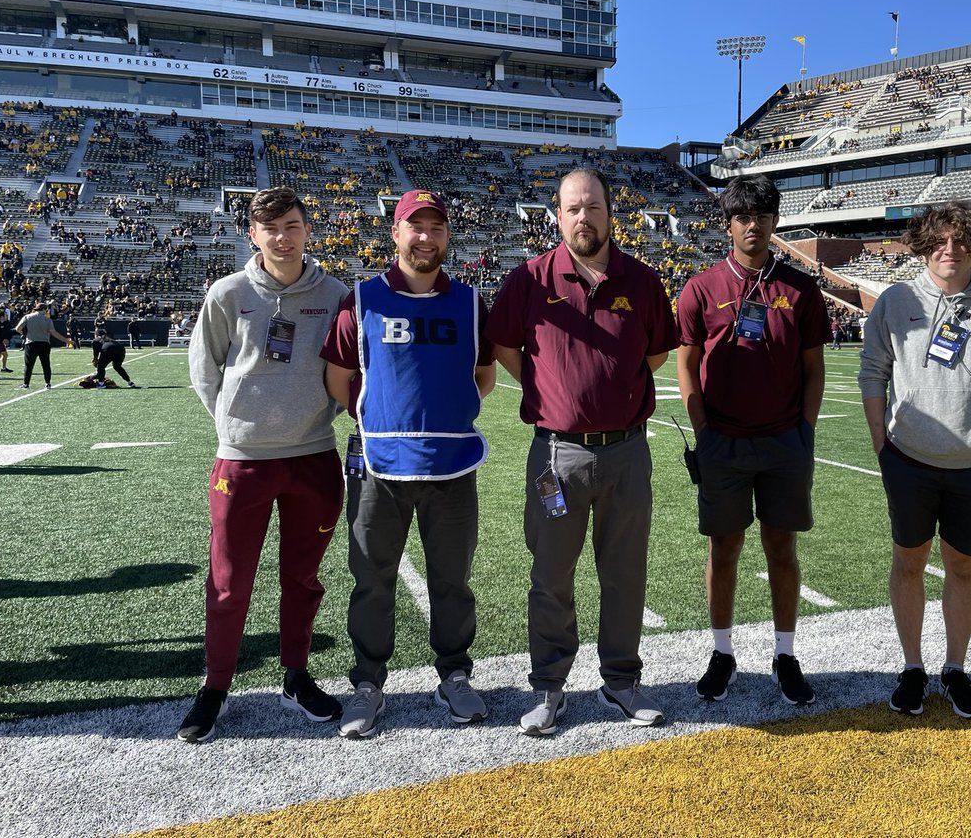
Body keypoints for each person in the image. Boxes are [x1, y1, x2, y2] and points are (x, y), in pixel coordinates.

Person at [486, 168, 678, 736]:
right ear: (558, 216)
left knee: (625, 574)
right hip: (556, 459)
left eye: (593, 207)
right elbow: (501, 344)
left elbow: (657, 356)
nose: (583, 218)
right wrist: (549, 391)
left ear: (609, 213)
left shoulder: (641, 281)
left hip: (626, 455)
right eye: (573, 209)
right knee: (551, 574)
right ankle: (549, 687)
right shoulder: (530, 278)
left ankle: (621, 680)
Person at [321, 190, 495, 739]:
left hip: (452, 465)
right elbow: (339, 376)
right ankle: (368, 683)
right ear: (394, 234)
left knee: (452, 581)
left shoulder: (469, 301)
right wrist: (376, 417)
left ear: (447, 235)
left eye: (436, 226)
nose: (425, 236)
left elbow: (484, 372)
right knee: (372, 580)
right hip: (380, 466)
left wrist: (450, 411)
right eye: (413, 226)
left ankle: (455, 674)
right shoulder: (362, 299)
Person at [181, 187, 349, 743]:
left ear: (308, 231)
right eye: (270, 228)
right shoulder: (227, 292)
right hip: (244, 461)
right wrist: (236, 426)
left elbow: (348, 368)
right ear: (252, 234)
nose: (283, 237)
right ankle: (216, 685)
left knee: (302, 578)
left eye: (293, 225)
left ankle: (296, 675)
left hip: (313, 454)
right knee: (229, 583)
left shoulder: (336, 294)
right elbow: (205, 370)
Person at [859, 201, 971, 721]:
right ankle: (912, 666)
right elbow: (874, 371)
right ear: (922, 243)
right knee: (909, 561)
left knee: (963, 565)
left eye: (961, 239)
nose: (950, 249)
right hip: (908, 458)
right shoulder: (895, 300)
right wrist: (880, 441)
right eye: (939, 239)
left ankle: (955, 668)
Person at [676, 174, 830, 705]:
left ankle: (785, 654)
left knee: (781, 548)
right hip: (724, 441)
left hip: (784, 440)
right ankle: (722, 653)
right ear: (728, 225)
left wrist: (805, 432)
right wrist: (703, 432)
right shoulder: (701, 287)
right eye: (743, 217)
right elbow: (687, 365)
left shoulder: (801, 288)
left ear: (774, 222)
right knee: (724, 549)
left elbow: (815, 369)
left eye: (763, 217)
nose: (753, 226)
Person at [14, 303, 67, 390]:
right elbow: (53, 332)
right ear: (44, 310)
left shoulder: (27, 317)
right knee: (46, 364)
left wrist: (25, 334)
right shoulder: (47, 320)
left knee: (29, 365)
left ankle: (26, 384)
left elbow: (17, 328)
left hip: (31, 343)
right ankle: (47, 383)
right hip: (44, 343)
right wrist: (66, 340)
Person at [0, 305, 11, 373]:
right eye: (5, 315)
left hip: (0, 342)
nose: (6, 316)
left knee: (5, 354)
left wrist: (5, 338)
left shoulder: (4, 323)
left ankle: (4, 368)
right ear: (1, 317)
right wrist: (2, 339)